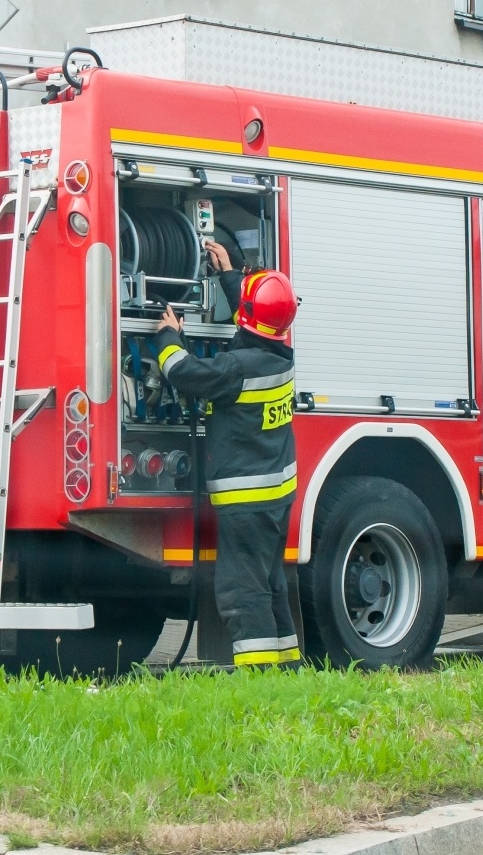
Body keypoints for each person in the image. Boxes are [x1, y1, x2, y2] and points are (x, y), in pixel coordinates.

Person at [155, 241, 301, 668]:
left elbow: (182, 371)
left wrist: (168, 336)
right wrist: (230, 276)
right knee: (270, 584)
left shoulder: (237, 369)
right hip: (275, 498)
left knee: (242, 591)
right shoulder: (278, 356)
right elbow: (256, 317)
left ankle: (258, 678)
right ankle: (288, 669)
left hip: (247, 503)